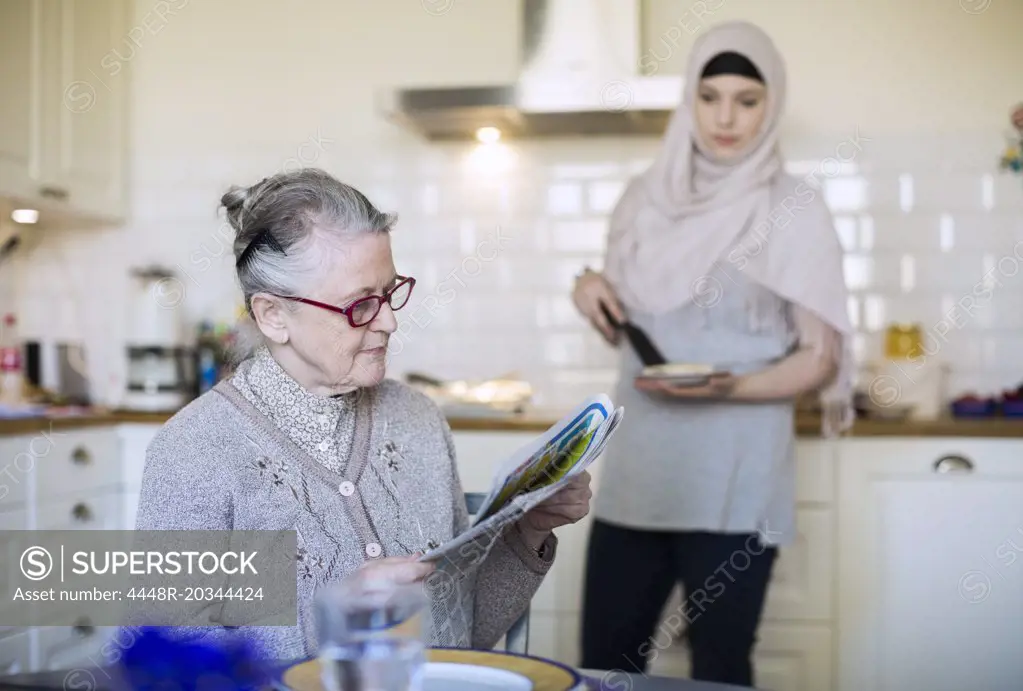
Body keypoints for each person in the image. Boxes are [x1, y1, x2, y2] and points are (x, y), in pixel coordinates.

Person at [134, 168, 592, 659]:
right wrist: (333, 616)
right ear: (273, 315)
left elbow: (465, 633)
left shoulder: (418, 420)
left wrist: (530, 528)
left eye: (390, 293)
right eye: (360, 306)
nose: (389, 321)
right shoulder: (195, 451)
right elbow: (161, 660)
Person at [573, 21, 852, 687]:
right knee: (603, 665)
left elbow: (819, 358)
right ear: (688, 101)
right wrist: (591, 294)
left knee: (720, 669)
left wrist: (721, 387)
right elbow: (632, 333)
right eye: (709, 96)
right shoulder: (641, 199)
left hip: (736, 480)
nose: (726, 116)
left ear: (771, 103)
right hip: (638, 473)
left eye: (747, 99)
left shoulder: (794, 209)